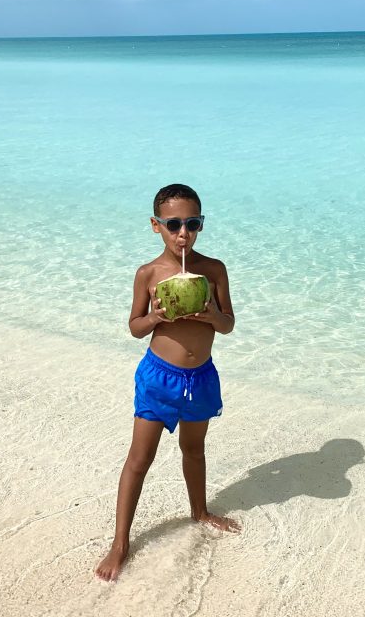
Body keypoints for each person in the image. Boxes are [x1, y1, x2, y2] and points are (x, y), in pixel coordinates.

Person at [95, 183, 240, 582]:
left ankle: (200, 511)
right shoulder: (149, 273)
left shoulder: (213, 270)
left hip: (202, 377)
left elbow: (228, 325)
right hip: (160, 377)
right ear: (155, 225)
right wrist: (158, 316)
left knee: (194, 451)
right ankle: (120, 542)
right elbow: (135, 328)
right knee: (139, 460)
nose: (183, 233)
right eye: (173, 224)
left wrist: (210, 313)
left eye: (192, 224)